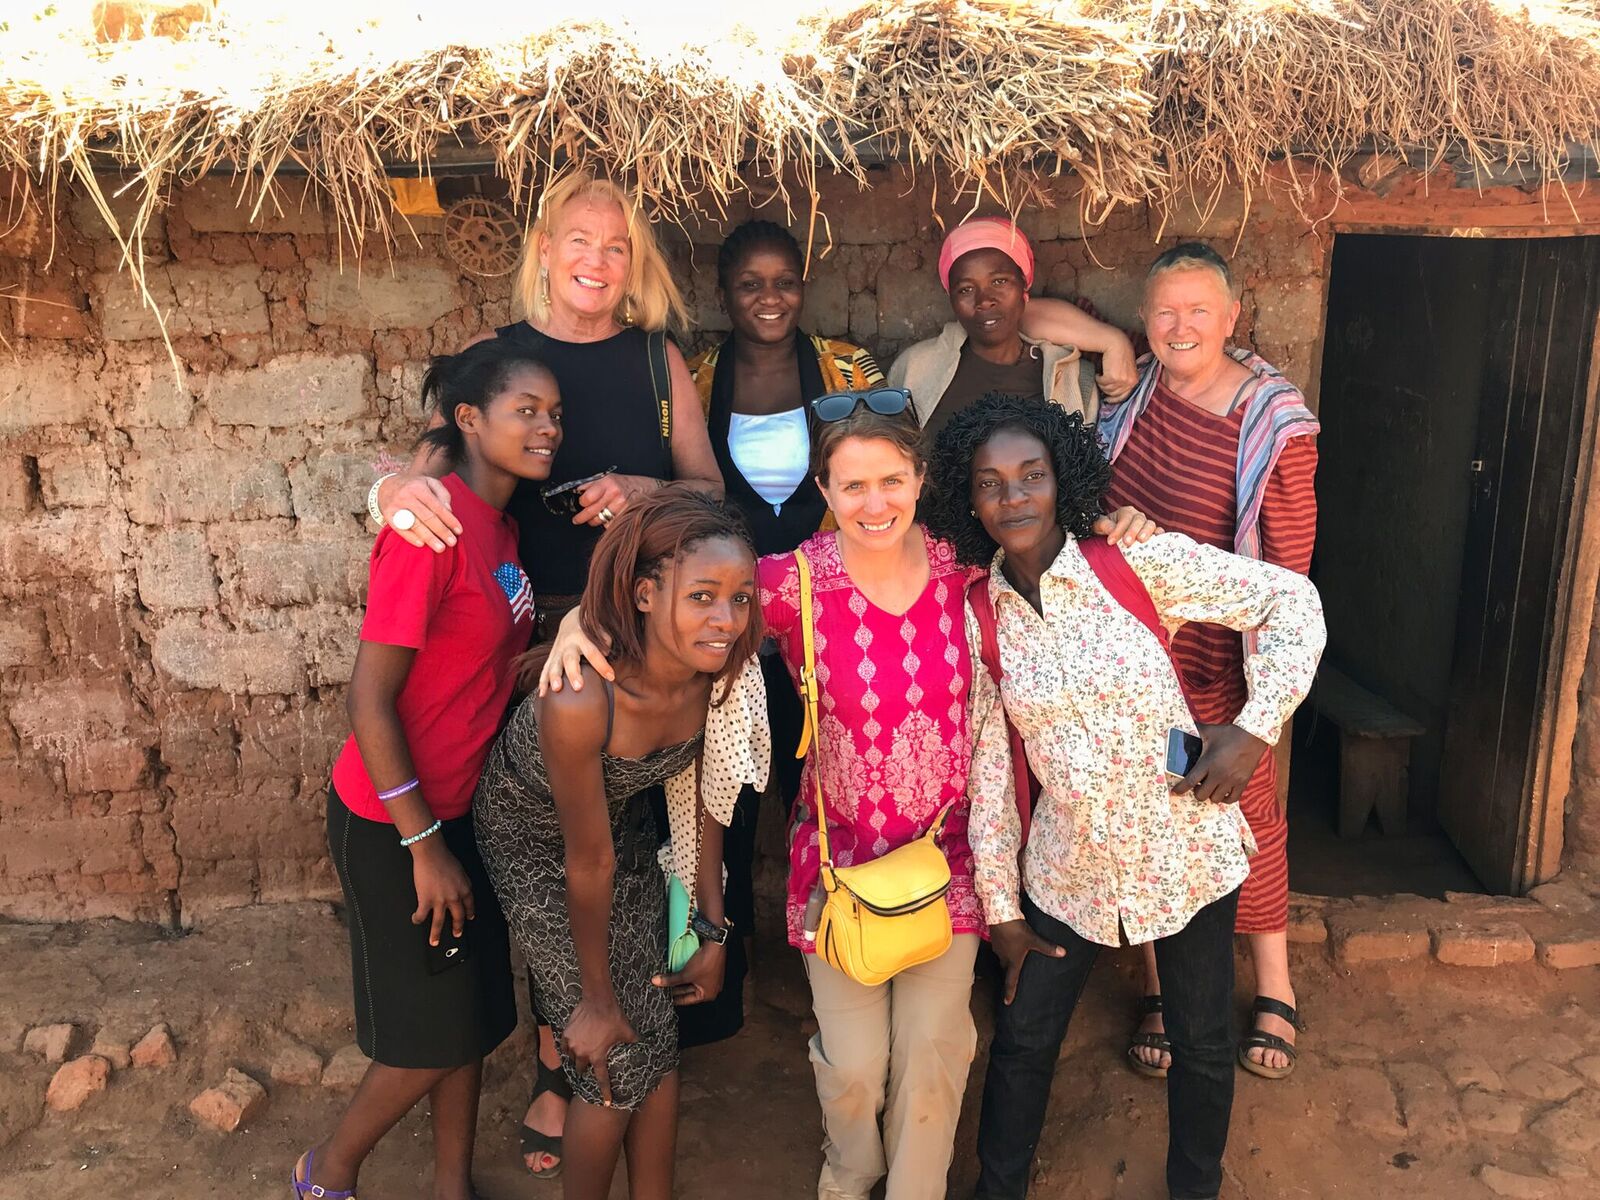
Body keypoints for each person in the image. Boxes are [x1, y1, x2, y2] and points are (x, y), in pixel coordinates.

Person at [541, 397, 1157, 1200]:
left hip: (951, 860)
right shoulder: (788, 583)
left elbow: (1056, 554)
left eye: (892, 481)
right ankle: (850, 1175)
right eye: (853, 485)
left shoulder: (966, 572)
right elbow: (679, 591)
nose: (875, 503)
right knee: (857, 1071)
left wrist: (1119, 524)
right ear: (824, 492)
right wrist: (581, 624)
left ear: (921, 481)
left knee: (935, 1058)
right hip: (836, 868)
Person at [371, 171, 725, 1174]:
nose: (596, 263)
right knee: (537, 840)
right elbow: (421, 469)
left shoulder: (658, 361)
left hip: (642, 638)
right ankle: (556, 1055)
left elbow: (711, 488)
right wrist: (388, 485)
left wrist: (646, 487)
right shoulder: (509, 358)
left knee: (629, 842)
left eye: (615, 247)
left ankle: (633, 1033)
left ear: (635, 262)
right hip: (532, 648)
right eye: (578, 241)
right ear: (545, 248)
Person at [923, 392, 1325, 1200]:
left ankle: (1195, 1188)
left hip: (1184, 851)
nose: (1014, 498)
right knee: (1026, 1038)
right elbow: (992, 769)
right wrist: (1001, 907)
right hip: (1067, 868)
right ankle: (998, 1188)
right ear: (968, 499)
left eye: (1031, 475)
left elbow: (1293, 602)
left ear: (1061, 477)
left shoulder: (1133, 562)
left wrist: (1254, 729)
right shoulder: (979, 614)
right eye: (991, 482)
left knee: (1204, 1041)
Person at [294, 341, 563, 1200]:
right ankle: (326, 1171)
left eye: (555, 414)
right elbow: (370, 700)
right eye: (527, 411)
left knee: (473, 1017)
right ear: (471, 421)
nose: (548, 428)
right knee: (434, 1033)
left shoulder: (502, 529)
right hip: (394, 818)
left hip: (463, 809)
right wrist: (421, 841)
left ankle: (452, 1185)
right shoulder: (431, 526)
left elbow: (482, 654)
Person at [472, 487, 765, 1200]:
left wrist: (711, 928)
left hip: (614, 825)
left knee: (656, 1031)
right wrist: (595, 999)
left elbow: (707, 803)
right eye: (701, 596)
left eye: (740, 599)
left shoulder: (716, 674)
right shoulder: (580, 698)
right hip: (537, 846)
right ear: (642, 594)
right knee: (609, 1065)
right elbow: (585, 860)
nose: (724, 620)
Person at [1099, 243, 1320, 1081]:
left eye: (1199, 311)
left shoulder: (1274, 420)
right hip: (1139, 655)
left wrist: (1265, 698)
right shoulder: (1137, 388)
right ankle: (1159, 986)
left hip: (1225, 661)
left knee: (1245, 815)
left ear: (1234, 318)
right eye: (1163, 311)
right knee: (1149, 814)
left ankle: (1275, 987)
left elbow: (1288, 573)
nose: (1179, 326)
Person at [679, 218, 885, 1047]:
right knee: (718, 799)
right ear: (724, 295)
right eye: (750, 284)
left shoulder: (846, 370)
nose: (770, 298)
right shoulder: (694, 380)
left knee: (821, 795)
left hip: (826, 623)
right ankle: (721, 985)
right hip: (725, 629)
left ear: (805, 284)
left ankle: (826, 969)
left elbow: (877, 488)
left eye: (784, 281)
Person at [886, 216, 1139, 438]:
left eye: (999, 281)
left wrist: (1114, 341)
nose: (984, 300)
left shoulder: (1070, 378)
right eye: (965, 289)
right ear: (950, 298)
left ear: (1023, 287)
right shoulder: (915, 369)